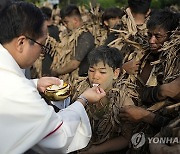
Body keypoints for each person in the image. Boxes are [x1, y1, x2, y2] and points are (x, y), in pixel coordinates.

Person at [0, 1, 106, 153]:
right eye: (41, 45)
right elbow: (59, 135)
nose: (40, 53)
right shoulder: (20, 92)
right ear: (21, 42)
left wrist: (35, 83)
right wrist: (83, 99)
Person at [119, 9, 180, 153]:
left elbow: (173, 123)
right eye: (149, 35)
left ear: (173, 36)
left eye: (158, 36)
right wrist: (123, 68)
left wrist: (145, 116)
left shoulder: (175, 64)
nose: (151, 41)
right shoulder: (143, 56)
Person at [71, 46, 134, 153]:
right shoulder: (79, 91)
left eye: (102, 72)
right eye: (91, 70)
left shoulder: (123, 101)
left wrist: (96, 150)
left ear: (115, 73)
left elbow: (126, 138)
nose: (95, 76)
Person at [51, 4, 95, 85]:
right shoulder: (70, 36)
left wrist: (56, 72)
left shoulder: (84, 36)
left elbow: (74, 64)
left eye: (66, 22)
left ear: (75, 20)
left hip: (81, 83)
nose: (64, 25)